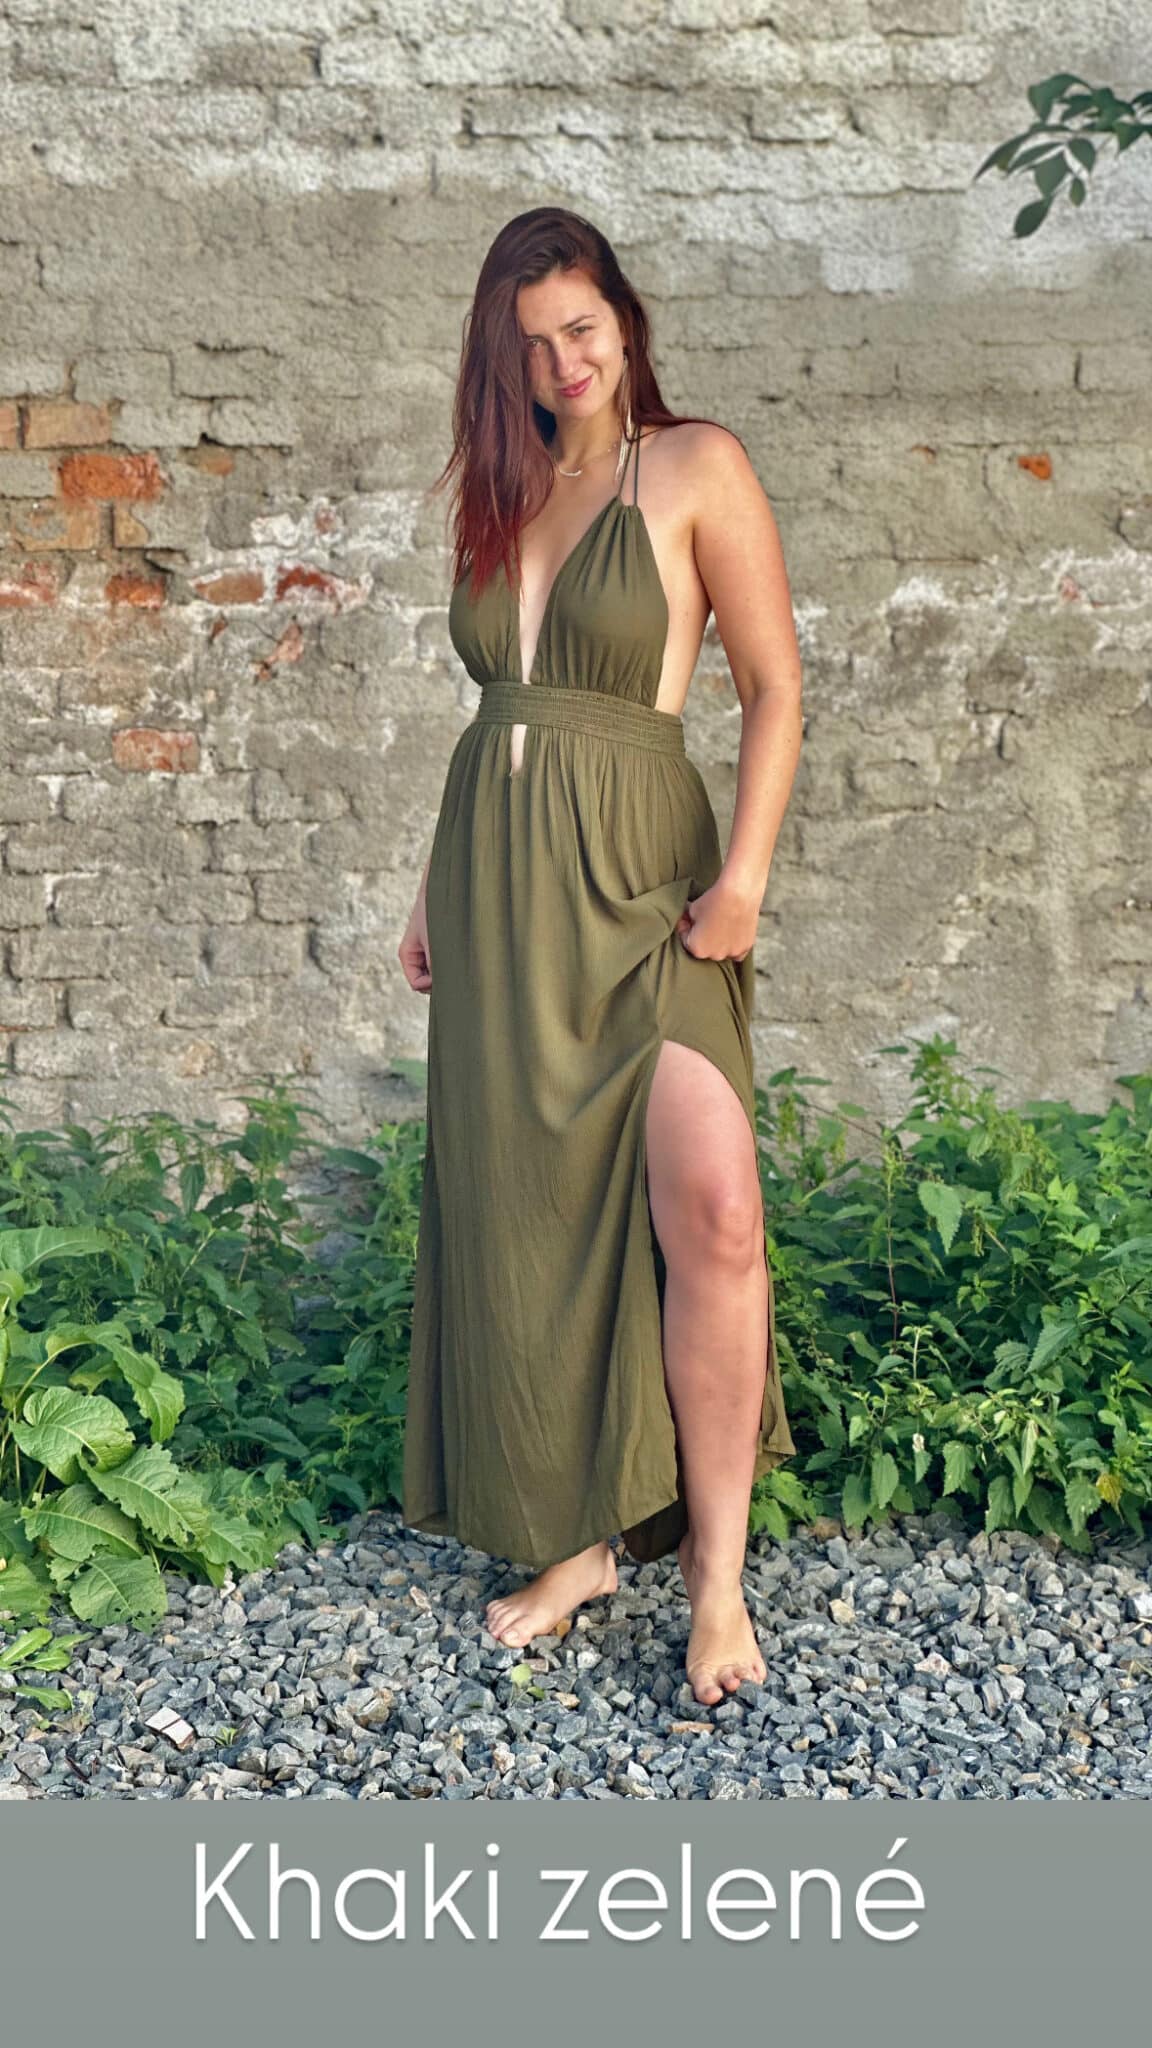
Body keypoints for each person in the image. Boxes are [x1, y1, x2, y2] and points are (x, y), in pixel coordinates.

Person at [398, 207, 803, 1708]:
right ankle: (577, 1544)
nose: (564, 363)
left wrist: (744, 881)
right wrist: (430, 890)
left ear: (622, 317)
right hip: (498, 895)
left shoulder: (694, 467)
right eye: (532, 346)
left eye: (580, 328)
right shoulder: (505, 493)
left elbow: (772, 686)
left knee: (716, 1207)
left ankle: (717, 1578)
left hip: (645, 886)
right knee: (530, 1209)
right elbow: (497, 715)